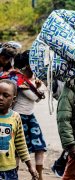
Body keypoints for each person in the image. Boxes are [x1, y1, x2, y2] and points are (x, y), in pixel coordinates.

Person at [11, 51, 46, 180]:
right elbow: (34, 97)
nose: (35, 66)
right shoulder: (19, 80)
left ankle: (38, 177)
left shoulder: (28, 81)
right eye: (33, 63)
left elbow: (37, 98)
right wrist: (39, 89)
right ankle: (13, 176)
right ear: (26, 65)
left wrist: (38, 90)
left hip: (30, 117)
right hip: (19, 118)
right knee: (18, 151)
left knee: (40, 147)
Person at [0, 79, 38, 180]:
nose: (0, 98)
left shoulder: (15, 117)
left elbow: (21, 143)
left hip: (10, 170)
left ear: (13, 100)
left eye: (5, 95)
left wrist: (30, 166)